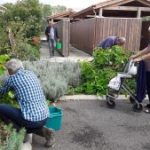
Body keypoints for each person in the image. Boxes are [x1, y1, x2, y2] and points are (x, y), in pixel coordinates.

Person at [0, 59, 54, 147]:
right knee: (29, 120)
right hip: (45, 116)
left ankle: (19, 134)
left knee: (1, 108)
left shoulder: (12, 78)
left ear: (10, 71)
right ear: (21, 66)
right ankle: (45, 132)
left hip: (31, 121)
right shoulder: (31, 73)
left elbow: (1, 92)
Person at [131, 26, 150, 113]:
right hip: (148, 67)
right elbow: (147, 49)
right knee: (148, 86)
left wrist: (141, 58)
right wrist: (136, 55)